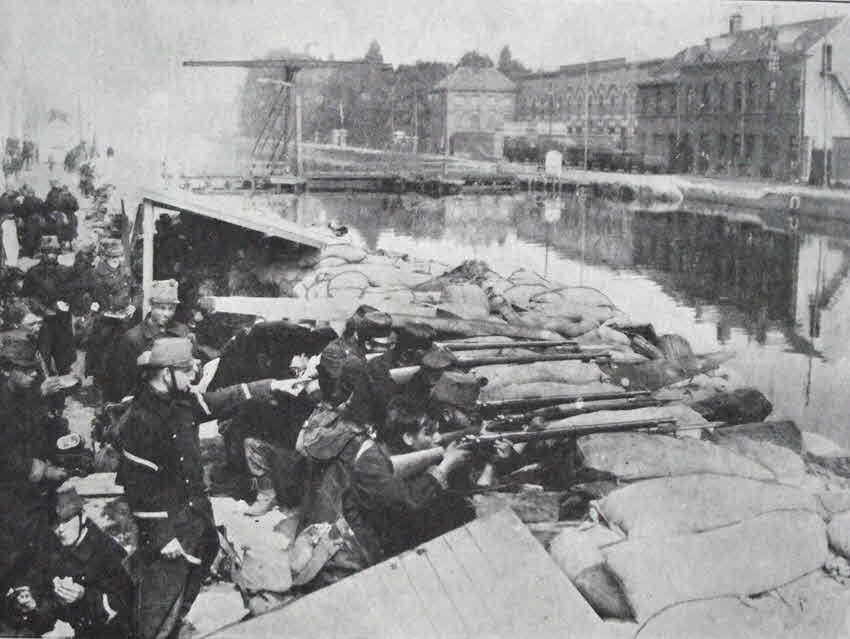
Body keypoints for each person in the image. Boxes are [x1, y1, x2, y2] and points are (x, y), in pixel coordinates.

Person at [117, 336, 299, 639]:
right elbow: (139, 489)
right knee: (159, 598)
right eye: (188, 371)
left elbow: (216, 401)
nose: (193, 378)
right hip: (168, 527)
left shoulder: (180, 399)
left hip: (194, 515)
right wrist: (163, 538)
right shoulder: (140, 420)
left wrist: (269, 386)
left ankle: (175, 625)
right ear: (166, 373)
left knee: (195, 571)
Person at [0, 337, 69, 619]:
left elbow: (32, 430)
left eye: (34, 369)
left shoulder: (21, 393)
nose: (33, 374)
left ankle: (33, 604)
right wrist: (42, 470)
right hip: (10, 490)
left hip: (28, 488)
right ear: (6, 369)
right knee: (16, 547)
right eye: (26, 369)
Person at [45, 487, 134, 638]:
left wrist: (84, 596)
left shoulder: (109, 553)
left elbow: (124, 606)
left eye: (66, 521)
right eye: (54, 523)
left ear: (83, 517)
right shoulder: (54, 546)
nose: (60, 529)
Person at [103, 278, 190, 402]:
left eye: (171, 308)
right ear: (151, 305)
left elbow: (191, 371)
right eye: (161, 308)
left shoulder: (183, 332)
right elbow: (121, 382)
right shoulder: (133, 338)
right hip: (145, 403)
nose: (166, 313)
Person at [21, 235, 75, 375]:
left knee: (64, 358)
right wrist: (44, 309)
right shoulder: (33, 273)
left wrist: (69, 302)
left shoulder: (66, 271)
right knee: (43, 358)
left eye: (54, 252)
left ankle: (64, 385)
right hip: (43, 322)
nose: (51, 256)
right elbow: (26, 297)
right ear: (42, 253)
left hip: (63, 321)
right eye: (48, 252)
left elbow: (74, 292)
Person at [85, 239, 135, 383]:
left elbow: (137, 290)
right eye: (112, 257)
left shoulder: (126, 272)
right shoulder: (95, 273)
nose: (115, 260)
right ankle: (99, 382)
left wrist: (134, 305)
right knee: (101, 351)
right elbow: (83, 292)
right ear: (105, 257)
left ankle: (117, 382)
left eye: (118, 257)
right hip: (104, 318)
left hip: (122, 318)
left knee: (120, 351)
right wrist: (90, 303)